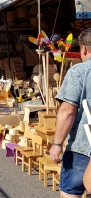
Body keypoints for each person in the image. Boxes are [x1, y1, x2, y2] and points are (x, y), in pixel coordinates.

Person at [50, 28, 91, 197]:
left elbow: (68, 111)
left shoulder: (80, 71)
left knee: (70, 193)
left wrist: (57, 144)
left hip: (82, 148)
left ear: (84, 49)